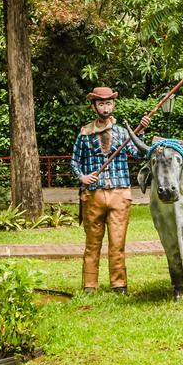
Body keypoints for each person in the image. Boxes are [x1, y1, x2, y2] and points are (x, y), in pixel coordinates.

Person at [71, 86, 148, 295]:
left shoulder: (123, 132)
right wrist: (82, 177)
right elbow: (74, 162)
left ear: (113, 105)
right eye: (101, 103)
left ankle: (119, 284)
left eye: (108, 103)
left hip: (119, 193)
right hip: (92, 194)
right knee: (92, 243)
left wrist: (141, 130)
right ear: (94, 106)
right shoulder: (85, 133)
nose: (105, 107)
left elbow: (139, 154)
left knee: (117, 243)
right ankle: (89, 285)